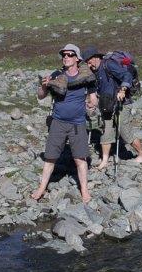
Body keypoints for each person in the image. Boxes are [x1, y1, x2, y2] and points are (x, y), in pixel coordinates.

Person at [32, 44, 95, 203]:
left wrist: (92, 103)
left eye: (70, 54)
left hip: (77, 122)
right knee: (50, 157)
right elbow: (40, 96)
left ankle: (85, 190)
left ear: (77, 58)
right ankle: (42, 187)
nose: (66, 57)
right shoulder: (56, 74)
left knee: (80, 159)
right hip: (58, 122)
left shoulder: (85, 75)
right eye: (64, 55)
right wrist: (44, 85)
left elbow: (93, 96)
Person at [85, 49, 142, 169]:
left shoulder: (109, 64)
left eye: (89, 62)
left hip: (121, 103)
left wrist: (123, 90)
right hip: (106, 105)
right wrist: (93, 101)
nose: (89, 66)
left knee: (124, 130)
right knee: (106, 131)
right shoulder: (95, 72)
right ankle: (104, 160)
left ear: (95, 58)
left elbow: (126, 75)